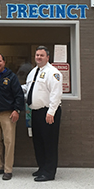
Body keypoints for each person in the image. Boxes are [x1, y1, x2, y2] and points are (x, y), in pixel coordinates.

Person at [22, 46, 62, 182]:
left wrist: (51, 112)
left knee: (49, 142)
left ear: (47, 57)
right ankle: (42, 168)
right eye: (37, 55)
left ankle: (49, 172)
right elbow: (28, 88)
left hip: (48, 112)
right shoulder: (33, 71)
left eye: (41, 55)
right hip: (35, 112)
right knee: (38, 142)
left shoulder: (53, 72)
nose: (38, 57)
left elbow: (56, 94)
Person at [0, 53, 25, 181]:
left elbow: (18, 95)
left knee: (9, 142)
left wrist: (17, 110)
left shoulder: (11, 77)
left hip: (8, 113)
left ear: (4, 62)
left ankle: (8, 170)